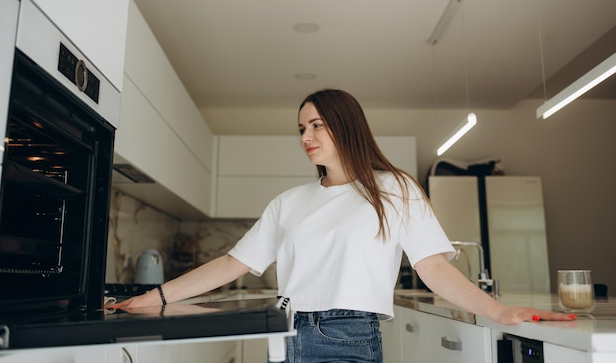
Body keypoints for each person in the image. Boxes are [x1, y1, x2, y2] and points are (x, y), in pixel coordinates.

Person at [115, 89, 575, 363]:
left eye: (316, 125)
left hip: (347, 332)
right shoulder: (289, 202)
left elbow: (433, 269)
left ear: (346, 126)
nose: (306, 138)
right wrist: (153, 297)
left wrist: (497, 311)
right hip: (284, 331)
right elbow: (231, 264)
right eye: (300, 129)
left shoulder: (393, 187)